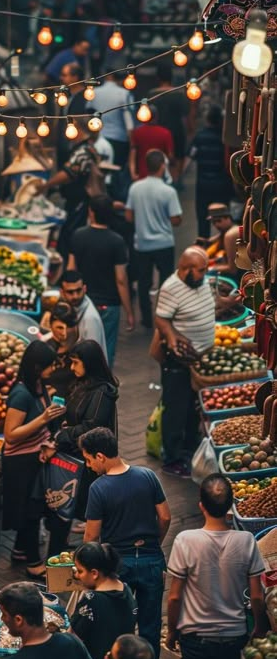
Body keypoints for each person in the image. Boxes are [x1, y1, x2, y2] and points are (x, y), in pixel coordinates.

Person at [167, 474, 267, 659]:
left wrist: (171, 631)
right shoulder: (247, 541)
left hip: (195, 634)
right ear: (230, 507)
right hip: (233, 634)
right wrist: (259, 628)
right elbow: (258, 597)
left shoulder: (186, 541)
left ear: (201, 505)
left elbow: (174, 598)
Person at [81, 427, 171, 659]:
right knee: (151, 622)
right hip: (152, 560)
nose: (89, 466)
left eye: (89, 460)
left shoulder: (98, 489)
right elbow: (165, 517)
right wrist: (154, 544)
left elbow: (91, 536)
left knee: (119, 620)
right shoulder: (147, 476)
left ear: (100, 456)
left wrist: (87, 567)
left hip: (118, 564)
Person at [2, 341, 66, 577]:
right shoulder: (21, 394)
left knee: (32, 507)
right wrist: (43, 418)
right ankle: (32, 563)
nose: (53, 370)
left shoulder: (39, 386)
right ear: (38, 367)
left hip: (35, 458)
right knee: (30, 511)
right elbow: (10, 435)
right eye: (50, 366)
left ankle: (20, 550)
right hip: (20, 462)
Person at [47, 342, 119, 550]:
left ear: (89, 364)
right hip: (74, 458)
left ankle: (88, 556)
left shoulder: (103, 392)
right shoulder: (83, 384)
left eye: (76, 363)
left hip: (87, 463)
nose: (72, 368)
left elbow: (91, 426)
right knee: (64, 509)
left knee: (79, 508)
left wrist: (63, 434)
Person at [155, 247, 215, 477]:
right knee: (175, 410)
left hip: (198, 359)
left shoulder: (199, 282)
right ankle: (172, 459)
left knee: (192, 407)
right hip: (178, 362)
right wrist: (171, 338)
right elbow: (161, 318)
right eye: (201, 270)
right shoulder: (171, 288)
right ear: (186, 269)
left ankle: (189, 450)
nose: (205, 273)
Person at [68, 194, 135, 365]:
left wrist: (68, 298)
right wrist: (129, 311)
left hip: (83, 301)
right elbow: (121, 280)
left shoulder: (78, 235)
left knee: (80, 347)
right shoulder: (117, 242)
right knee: (105, 351)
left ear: (91, 212)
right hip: (108, 305)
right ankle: (103, 386)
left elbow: (71, 269)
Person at [125, 150, 182, 329]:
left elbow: (128, 216)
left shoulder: (135, 188)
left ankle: (147, 319)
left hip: (142, 244)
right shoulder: (168, 191)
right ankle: (164, 316)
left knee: (144, 282)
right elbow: (176, 220)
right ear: (162, 166)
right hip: (164, 243)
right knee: (166, 282)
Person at [70, 542, 137, 659]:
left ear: (94, 573)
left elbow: (73, 639)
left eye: (80, 571)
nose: (77, 576)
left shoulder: (91, 599)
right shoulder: (126, 589)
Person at [36, 117, 104, 260]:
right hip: (78, 201)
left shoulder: (83, 151)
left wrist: (45, 185)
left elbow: (69, 173)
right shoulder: (88, 148)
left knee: (70, 237)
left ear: (78, 130)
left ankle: (68, 269)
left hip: (79, 201)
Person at [185, 105, 233, 239]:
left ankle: (204, 245)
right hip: (222, 184)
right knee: (223, 218)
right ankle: (224, 245)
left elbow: (189, 157)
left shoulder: (200, 137)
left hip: (203, 185)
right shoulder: (225, 139)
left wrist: (179, 178)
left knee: (203, 217)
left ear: (207, 120)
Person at [147, 63, 189, 188]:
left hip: (158, 131)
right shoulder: (180, 94)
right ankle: (175, 180)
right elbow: (185, 117)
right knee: (178, 156)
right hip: (177, 129)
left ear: (158, 78)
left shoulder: (151, 94)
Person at [58, 270, 108, 357]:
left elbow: (92, 355)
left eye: (78, 291)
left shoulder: (90, 318)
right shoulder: (75, 307)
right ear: (62, 292)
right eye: (70, 292)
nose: (75, 296)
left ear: (84, 289)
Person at [92, 69, 134, 168]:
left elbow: (88, 114)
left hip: (98, 138)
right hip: (118, 140)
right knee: (116, 172)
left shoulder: (93, 92)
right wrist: (132, 144)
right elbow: (129, 122)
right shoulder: (124, 93)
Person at [129, 105, 174, 182]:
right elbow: (170, 156)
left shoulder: (137, 132)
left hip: (141, 176)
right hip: (160, 176)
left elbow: (132, 155)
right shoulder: (165, 133)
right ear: (157, 117)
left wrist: (133, 174)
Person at [44, 301, 78, 399]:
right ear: (50, 326)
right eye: (59, 328)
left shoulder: (81, 349)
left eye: (69, 328)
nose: (64, 333)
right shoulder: (46, 347)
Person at [199, 204, 240, 277]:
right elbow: (212, 240)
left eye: (218, 221)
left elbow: (232, 269)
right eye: (213, 222)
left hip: (237, 276)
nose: (216, 225)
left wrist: (209, 268)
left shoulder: (230, 235)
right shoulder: (225, 231)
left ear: (228, 218)